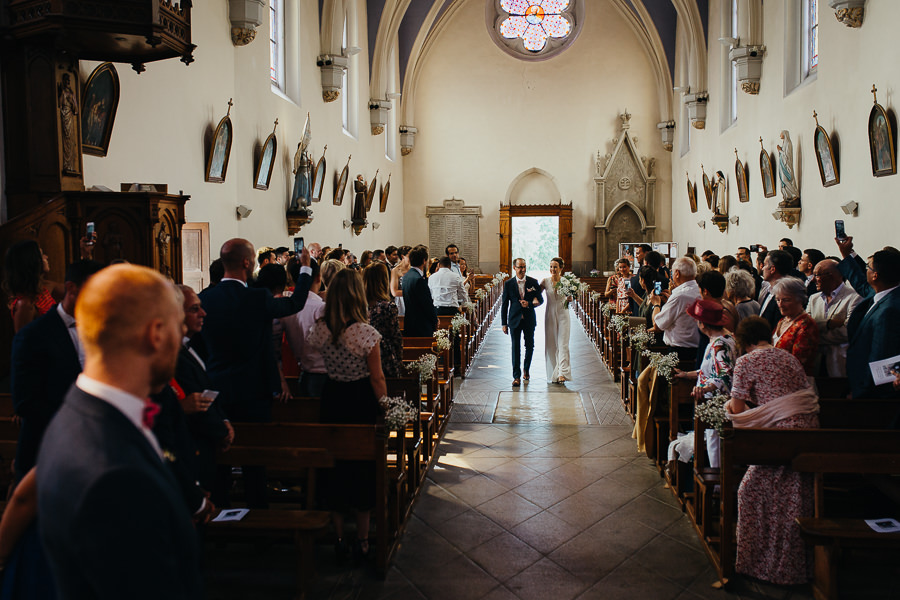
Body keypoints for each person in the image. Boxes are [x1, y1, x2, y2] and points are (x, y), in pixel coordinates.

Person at [37, 264, 203, 598]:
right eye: (178, 326)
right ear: (155, 334)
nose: (181, 336)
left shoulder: (77, 410)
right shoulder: (116, 474)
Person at [199, 239, 311, 507]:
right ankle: (257, 513)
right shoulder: (256, 297)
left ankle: (219, 518)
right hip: (254, 391)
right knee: (255, 463)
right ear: (247, 263)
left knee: (220, 461)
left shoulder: (204, 299)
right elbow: (294, 303)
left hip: (215, 392)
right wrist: (304, 269)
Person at [725, 316, 818, 585]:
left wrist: (730, 407)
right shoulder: (788, 357)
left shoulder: (746, 361)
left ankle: (761, 566)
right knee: (795, 496)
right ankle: (796, 568)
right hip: (809, 433)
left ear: (743, 341)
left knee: (750, 492)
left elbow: (737, 408)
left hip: (779, 438)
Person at [308, 269, 387, 564]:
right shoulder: (365, 333)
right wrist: (386, 406)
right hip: (359, 400)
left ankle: (340, 538)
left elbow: (315, 352)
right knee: (362, 469)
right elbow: (377, 378)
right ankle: (363, 540)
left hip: (332, 397)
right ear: (358, 294)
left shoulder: (321, 328)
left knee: (336, 467)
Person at [10, 259, 104, 482]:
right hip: (48, 450)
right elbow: (25, 401)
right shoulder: (34, 335)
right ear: (71, 289)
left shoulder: (104, 331)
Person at [173, 285, 234, 492]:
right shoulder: (172, 357)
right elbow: (195, 402)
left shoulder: (191, 345)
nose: (203, 313)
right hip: (194, 444)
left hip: (208, 442)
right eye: (194, 309)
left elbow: (207, 389)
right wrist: (220, 431)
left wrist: (224, 421)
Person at [846, 249, 900, 398]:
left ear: (875, 275)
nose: (865, 271)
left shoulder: (889, 310)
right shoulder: (885, 296)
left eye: (867, 268)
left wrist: (863, 390)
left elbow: (881, 354)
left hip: (872, 391)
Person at [807, 259, 862, 377]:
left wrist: (815, 337)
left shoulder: (854, 298)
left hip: (840, 363)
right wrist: (828, 324)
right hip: (816, 362)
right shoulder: (813, 299)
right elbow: (806, 327)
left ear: (830, 276)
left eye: (816, 275)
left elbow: (847, 333)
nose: (812, 279)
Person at [283, 259, 328, 397]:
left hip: (303, 371)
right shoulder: (320, 308)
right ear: (318, 278)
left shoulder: (287, 306)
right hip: (323, 375)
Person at [674, 299, 737, 399]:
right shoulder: (727, 337)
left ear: (702, 324)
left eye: (697, 320)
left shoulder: (719, 345)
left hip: (713, 402)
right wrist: (686, 374)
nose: (695, 322)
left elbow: (725, 375)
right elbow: (712, 370)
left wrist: (705, 388)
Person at [3, 241, 63, 333]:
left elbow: (78, 291)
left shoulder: (45, 287)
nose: (46, 257)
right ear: (32, 261)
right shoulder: (25, 305)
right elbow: (23, 343)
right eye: (42, 255)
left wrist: (85, 254)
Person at [501, 258, 543, 386]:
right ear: (514, 268)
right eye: (520, 267)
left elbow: (541, 300)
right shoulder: (508, 284)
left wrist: (529, 304)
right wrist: (504, 323)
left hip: (529, 318)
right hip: (514, 319)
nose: (522, 270)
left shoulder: (533, 282)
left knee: (529, 346)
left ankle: (526, 368)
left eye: (524, 267)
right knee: (515, 347)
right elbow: (504, 304)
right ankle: (516, 376)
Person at [772, 277, 819, 376]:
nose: (780, 304)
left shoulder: (806, 324)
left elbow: (798, 362)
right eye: (777, 300)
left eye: (786, 300)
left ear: (800, 299)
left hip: (795, 383)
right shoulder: (782, 321)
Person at [363, 262, 403, 377]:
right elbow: (395, 338)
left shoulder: (360, 305)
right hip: (384, 359)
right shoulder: (387, 307)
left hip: (363, 360)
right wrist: (398, 363)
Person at [541, 257, 572, 384]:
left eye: (555, 267)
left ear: (561, 268)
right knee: (551, 344)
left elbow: (572, 295)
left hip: (563, 314)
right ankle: (554, 370)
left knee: (563, 344)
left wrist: (570, 298)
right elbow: (536, 295)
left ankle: (562, 373)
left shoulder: (566, 282)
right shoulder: (545, 282)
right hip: (549, 314)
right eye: (551, 266)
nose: (553, 269)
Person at [401, 246, 437, 337]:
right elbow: (427, 304)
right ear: (424, 260)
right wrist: (435, 320)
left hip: (409, 324)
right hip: (422, 326)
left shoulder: (406, 276)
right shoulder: (419, 280)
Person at [757, 249, 794, 330]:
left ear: (772, 269)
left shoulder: (785, 295)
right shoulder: (769, 291)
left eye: (765, 265)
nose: (762, 268)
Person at [777, 130, 800, 208]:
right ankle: (787, 197)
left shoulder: (788, 144)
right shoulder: (784, 144)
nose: (780, 135)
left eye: (781, 133)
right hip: (782, 166)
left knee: (786, 180)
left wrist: (780, 150)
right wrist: (780, 151)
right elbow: (782, 155)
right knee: (783, 181)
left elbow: (787, 156)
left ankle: (795, 195)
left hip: (787, 166)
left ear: (785, 134)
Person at [389, 245, 411, 315]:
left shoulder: (413, 268)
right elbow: (394, 292)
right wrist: (412, 292)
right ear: (402, 256)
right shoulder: (395, 270)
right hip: (402, 301)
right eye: (410, 255)